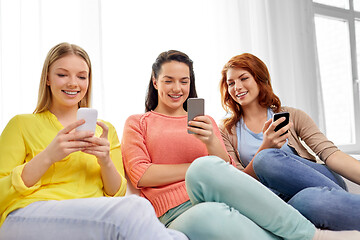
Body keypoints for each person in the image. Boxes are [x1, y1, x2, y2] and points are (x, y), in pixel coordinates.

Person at [121, 50, 360, 240]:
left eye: (184, 81)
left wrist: (210, 142)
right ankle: (312, 236)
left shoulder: (210, 123)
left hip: (306, 184)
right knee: (308, 202)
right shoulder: (138, 123)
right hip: (188, 208)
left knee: (231, 166)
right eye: (168, 81)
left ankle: (315, 233)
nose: (177, 88)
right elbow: (141, 174)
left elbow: (226, 173)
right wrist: (199, 162)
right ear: (155, 81)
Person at [0, 42, 187, 240]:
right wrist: (48, 156)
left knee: (178, 237)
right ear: (47, 78)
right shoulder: (21, 124)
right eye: (62, 75)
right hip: (28, 215)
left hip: (91, 215)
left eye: (81, 76)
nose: (73, 83)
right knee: (136, 207)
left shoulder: (104, 130)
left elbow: (116, 194)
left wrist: (105, 160)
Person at [219, 52, 360, 231]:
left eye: (243, 78)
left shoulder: (291, 115)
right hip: (284, 201)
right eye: (231, 83)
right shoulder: (226, 131)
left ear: (260, 79)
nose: (237, 87)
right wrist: (265, 146)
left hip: (324, 181)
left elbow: (331, 154)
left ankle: (337, 197)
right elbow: (240, 183)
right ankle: (340, 203)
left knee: (266, 159)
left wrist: (265, 153)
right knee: (310, 202)